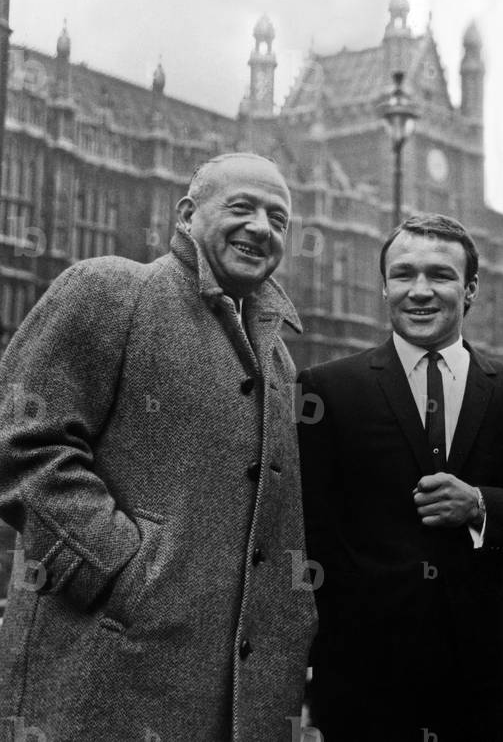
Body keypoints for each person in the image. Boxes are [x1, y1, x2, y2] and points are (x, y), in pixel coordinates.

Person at [0, 152, 317, 741]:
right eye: (242, 207)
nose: (261, 228)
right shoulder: (109, 290)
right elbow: (21, 443)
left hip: (226, 704)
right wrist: (125, 572)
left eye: (278, 219)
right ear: (187, 214)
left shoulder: (277, 359)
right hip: (102, 678)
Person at [297, 212, 503, 741]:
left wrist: (481, 506)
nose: (419, 290)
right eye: (404, 274)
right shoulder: (327, 389)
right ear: (384, 287)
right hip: (359, 667)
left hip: (479, 666)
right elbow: (309, 526)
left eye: (440, 275)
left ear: (470, 289)